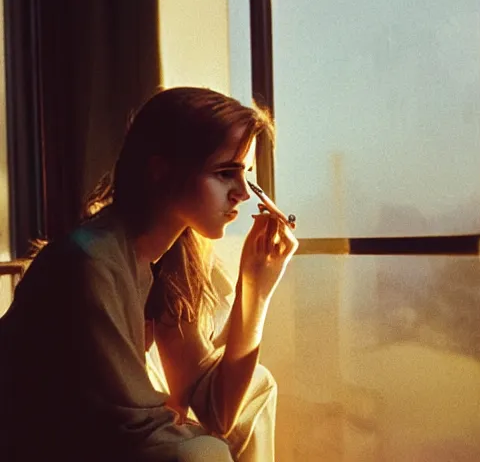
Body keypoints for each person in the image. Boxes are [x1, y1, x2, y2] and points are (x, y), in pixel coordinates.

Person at [0, 87, 298, 461]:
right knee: (200, 455)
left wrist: (256, 286)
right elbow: (126, 427)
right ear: (161, 171)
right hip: (36, 440)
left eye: (247, 176)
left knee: (255, 390)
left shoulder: (173, 256)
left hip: (96, 434)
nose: (242, 193)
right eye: (226, 173)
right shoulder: (90, 262)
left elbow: (218, 411)